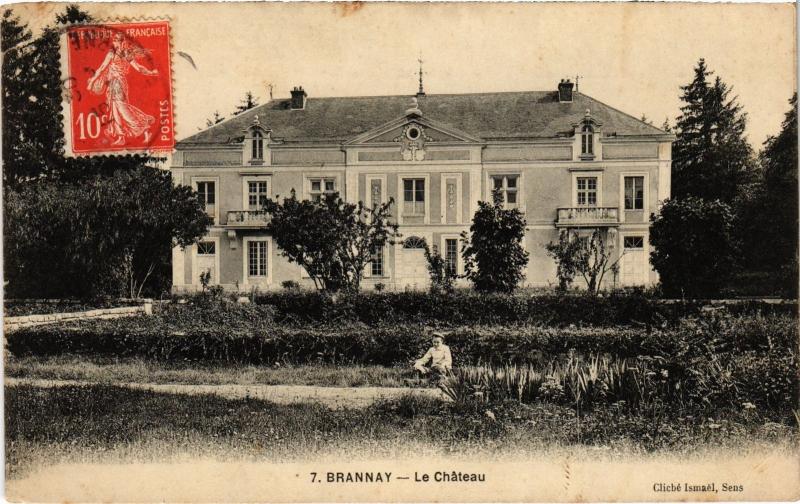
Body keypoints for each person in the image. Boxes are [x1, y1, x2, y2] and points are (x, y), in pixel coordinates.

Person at [87, 32, 158, 146]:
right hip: (113, 83)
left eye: (118, 41)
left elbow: (138, 67)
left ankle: (144, 126)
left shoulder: (126, 54)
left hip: (119, 83)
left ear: (122, 42)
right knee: (115, 109)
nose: (116, 43)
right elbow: (101, 68)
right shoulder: (112, 54)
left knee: (122, 109)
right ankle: (121, 137)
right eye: (115, 41)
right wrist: (92, 81)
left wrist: (151, 72)